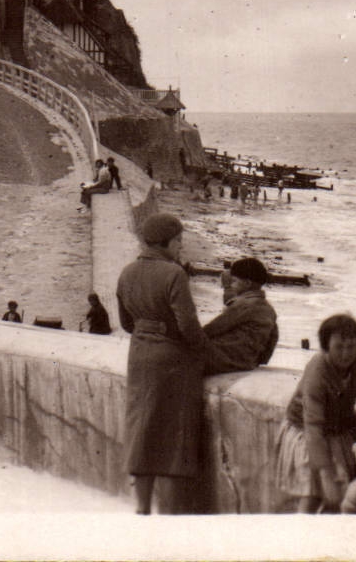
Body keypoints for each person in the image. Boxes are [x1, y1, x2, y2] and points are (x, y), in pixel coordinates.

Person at [116, 212, 208, 515]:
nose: (181, 246)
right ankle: (169, 513)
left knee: (142, 430)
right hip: (171, 358)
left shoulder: (127, 272)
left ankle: (142, 508)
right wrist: (204, 350)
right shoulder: (174, 274)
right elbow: (188, 325)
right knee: (171, 435)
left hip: (139, 354)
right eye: (179, 240)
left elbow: (126, 322)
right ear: (166, 242)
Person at [274, 313, 356, 513]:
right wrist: (326, 474)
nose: (345, 354)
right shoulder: (317, 370)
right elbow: (313, 425)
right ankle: (301, 530)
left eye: (351, 347)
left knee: (342, 495)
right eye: (339, 347)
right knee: (312, 495)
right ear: (326, 346)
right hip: (306, 433)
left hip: (337, 431)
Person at [202, 257, 279, 375]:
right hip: (247, 360)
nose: (231, 285)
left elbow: (213, 329)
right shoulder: (268, 309)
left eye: (234, 281)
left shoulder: (244, 305)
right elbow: (272, 340)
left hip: (227, 358)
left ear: (247, 283)